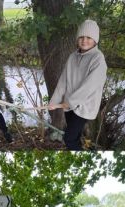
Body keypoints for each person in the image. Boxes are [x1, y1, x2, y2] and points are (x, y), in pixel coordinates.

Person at [48, 20, 107, 151]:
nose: (84, 40)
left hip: (84, 107)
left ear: (95, 40)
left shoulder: (98, 59)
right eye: (81, 37)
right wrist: (55, 100)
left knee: (69, 139)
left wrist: (69, 103)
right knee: (74, 137)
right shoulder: (72, 57)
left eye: (88, 37)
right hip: (69, 106)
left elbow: (89, 87)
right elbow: (63, 80)